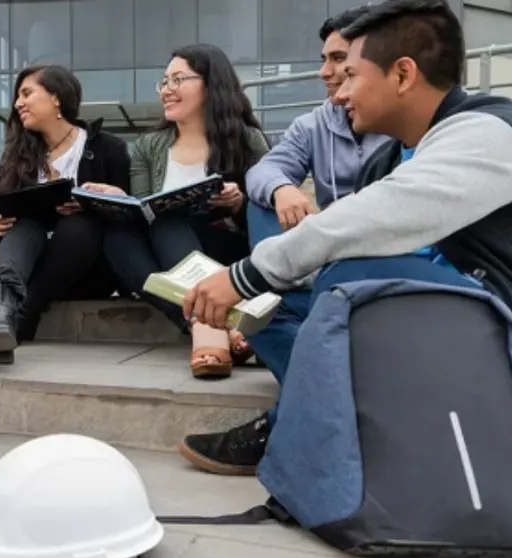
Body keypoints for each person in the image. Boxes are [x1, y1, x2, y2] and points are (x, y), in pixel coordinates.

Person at [178, 0, 512, 476]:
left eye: (351, 74)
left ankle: (297, 428)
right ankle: (325, 418)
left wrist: (247, 273)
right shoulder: (389, 158)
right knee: (267, 309)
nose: (337, 93)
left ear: (402, 74)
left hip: (490, 326)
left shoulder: (491, 130)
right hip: (427, 317)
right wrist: (254, 287)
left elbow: (379, 216)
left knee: (353, 275)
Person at [82, 44, 270, 379]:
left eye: (178, 79)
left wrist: (238, 203)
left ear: (211, 85)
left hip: (228, 253)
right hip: (170, 251)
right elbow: (144, 212)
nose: (167, 90)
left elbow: (265, 215)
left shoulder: (248, 140)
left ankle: (210, 326)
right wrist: (120, 197)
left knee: (169, 218)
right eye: (164, 82)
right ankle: (208, 324)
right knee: (122, 234)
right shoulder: (148, 146)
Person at [242, 6, 392, 383]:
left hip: (382, 266)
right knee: (259, 315)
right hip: (321, 266)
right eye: (324, 59)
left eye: (339, 59)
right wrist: (282, 188)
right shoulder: (312, 124)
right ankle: (331, 388)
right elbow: (262, 170)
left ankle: (314, 399)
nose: (325, 72)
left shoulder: (404, 121)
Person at [0, 64, 129, 364]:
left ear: (56, 97)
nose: (18, 103)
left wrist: (91, 203)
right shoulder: (17, 154)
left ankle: (20, 315)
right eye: (17, 96)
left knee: (80, 225)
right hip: (26, 258)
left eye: (27, 93)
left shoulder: (107, 148)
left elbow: (129, 211)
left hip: (84, 265)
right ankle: (1, 312)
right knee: (27, 225)